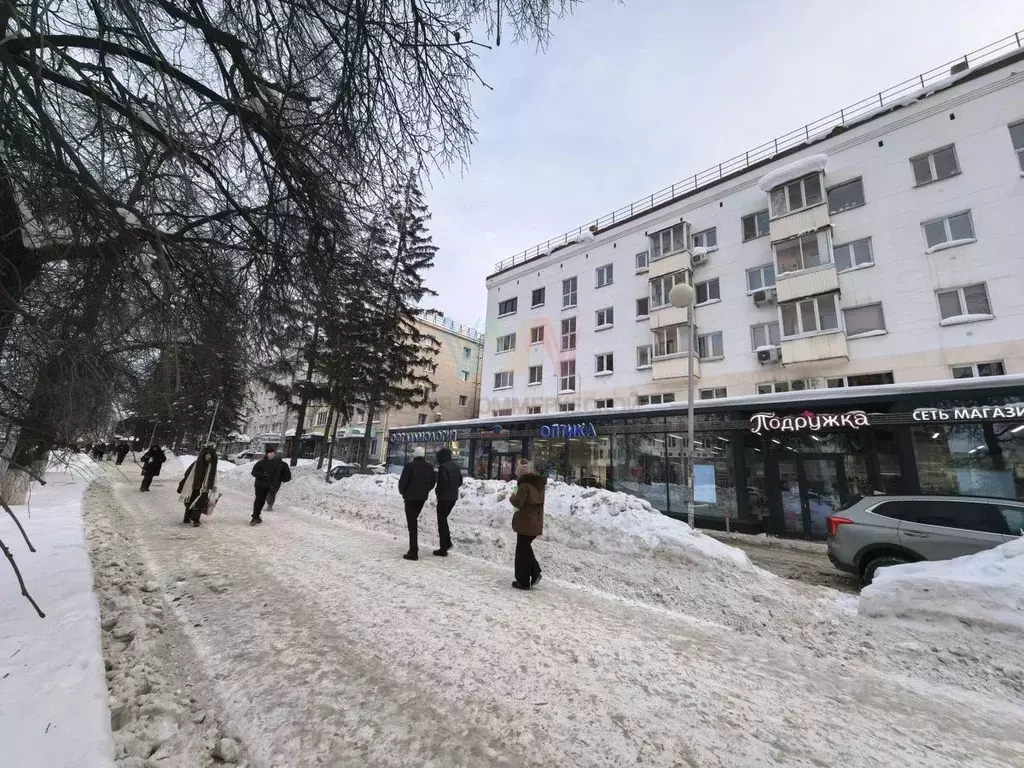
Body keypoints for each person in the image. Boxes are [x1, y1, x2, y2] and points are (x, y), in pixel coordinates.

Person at [508, 459, 545, 590]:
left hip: (526, 522)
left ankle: (523, 581)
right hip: (535, 521)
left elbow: (518, 502)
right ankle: (535, 573)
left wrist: (512, 497)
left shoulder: (523, 485)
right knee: (525, 548)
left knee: (521, 552)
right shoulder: (538, 485)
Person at [397, 446, 436, 560]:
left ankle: (413, 551)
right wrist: (425, 490)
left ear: (414, 455)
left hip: (410, 498)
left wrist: (402, 491)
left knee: (412, 524)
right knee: (414, 520)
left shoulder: (409, 466)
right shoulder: (429, 467)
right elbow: (433, 482)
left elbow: (403, 481)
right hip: (422, 498)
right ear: (424, 455)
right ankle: (413, 549)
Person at [177, 445, 218, 527]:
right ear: (203, 455)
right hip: (194, 486)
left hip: (205, 487)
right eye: (206, 454)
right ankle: (187, 517)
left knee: (199, 504)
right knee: (190, 502)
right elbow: (187, 473)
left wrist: (213, 486)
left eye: (210, 455)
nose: (208, 456)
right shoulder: (196, 463)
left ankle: (196, 519)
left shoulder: (212, 466)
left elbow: (214, 477)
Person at [432, 447, 463, 557]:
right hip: (453, 497)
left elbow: (442, 483)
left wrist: (438, 492)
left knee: (441, 522)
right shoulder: (456, 466)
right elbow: (460, 481)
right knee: (444, 520)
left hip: (444, 498)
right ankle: (447, 543)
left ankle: (443, 548)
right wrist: (453, 489)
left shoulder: (443, 467)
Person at [250, 448, 290, 525]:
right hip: (260, 485)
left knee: (263, 500)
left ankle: (257, 516)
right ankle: (255, 517)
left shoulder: (279, 464)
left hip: (271, 486)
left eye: (273, 453)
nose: (271, 454)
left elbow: (285, 475)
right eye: (269, 452)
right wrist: (261, 475)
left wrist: (282, 478)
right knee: (259, 500)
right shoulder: (260, 463)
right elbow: (253, 472)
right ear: (266, 454)